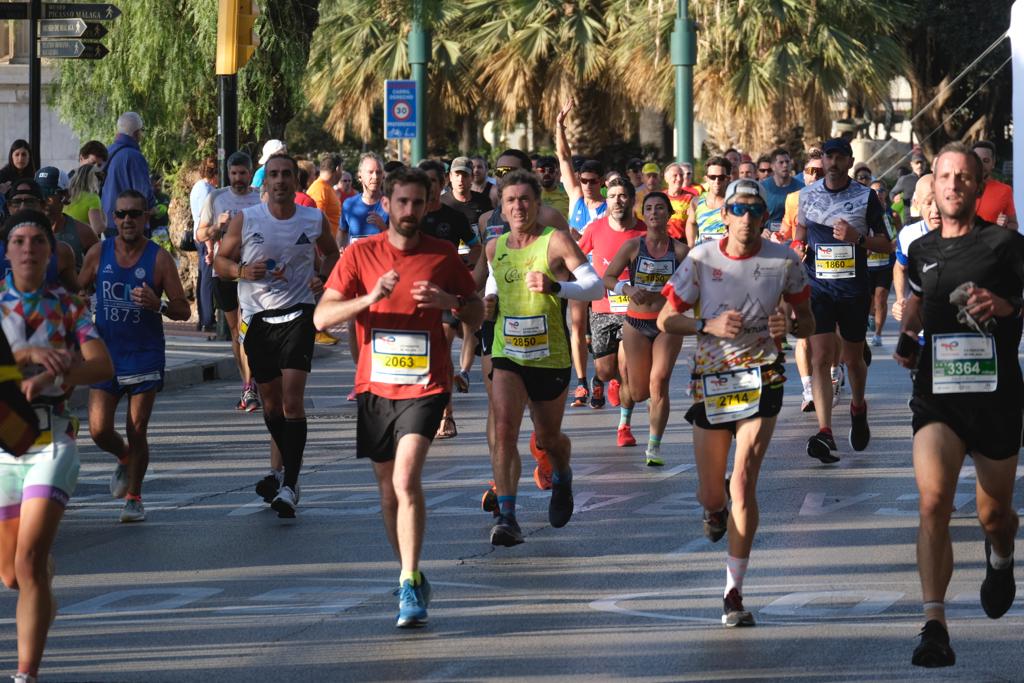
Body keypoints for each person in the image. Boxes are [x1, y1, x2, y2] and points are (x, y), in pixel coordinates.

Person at [314, 166, 482, 628]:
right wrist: (367, 299)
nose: (409, 211)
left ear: (429, 205)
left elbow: (477, 309)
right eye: (401, 202)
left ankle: (408, 582)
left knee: (406, 481)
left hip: (427, 385)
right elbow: (321, 318)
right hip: (375, 386)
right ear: (385, 205)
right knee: (388, 493)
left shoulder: (444, 253)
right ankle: (410, 570)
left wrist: (449, 303)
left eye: (417, 202)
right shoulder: (360, 253)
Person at [658, 178, 814, 628]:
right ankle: (714, 509)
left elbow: (808, 321)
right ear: (723, 215)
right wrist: (706, 324)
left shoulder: (784, 261)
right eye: (738, 210)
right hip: (712, 381)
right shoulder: (702, 259)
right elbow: (668, 318)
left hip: (763, 377)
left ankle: (733, 592)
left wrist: (792, 326)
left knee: (743, 479)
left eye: (755, 211)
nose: (747, 219)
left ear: (766, 219)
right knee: (713, 493)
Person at [895, 142, 1024, 668]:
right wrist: (909, 326)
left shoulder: (1007, 246)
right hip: (938, 396)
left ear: (978, 185)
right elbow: (922, 306)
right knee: (933, 503)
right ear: (933, 185)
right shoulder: (922, 250)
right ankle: (934, 626)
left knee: (994, 514)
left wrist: (1006, 304)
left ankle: (1001, 556)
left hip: (995, 399)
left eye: (962, 177)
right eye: (944, 176)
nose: (951, 185)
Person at [0, 209, 113, 683]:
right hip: (5, 444)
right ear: (8, 252)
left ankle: (27, 675)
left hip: (52, 441)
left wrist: (60, 370)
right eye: (19, 241)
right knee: (12, 574)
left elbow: (101, 365)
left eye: (37, 242)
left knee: (24, 563)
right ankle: (42, 576)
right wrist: (22, 357)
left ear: (51, 252)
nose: (28, 249)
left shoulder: (68, 307)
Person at [215, 154, 340, 518]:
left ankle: (290, 483)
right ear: (264, 183)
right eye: (274, 175)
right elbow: (220, 263)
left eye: (287, 174)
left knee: (292, 402)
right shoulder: (248, 218)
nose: (281, 181)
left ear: (295, 182)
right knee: (270, 404)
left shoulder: (313, 218)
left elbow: (333, 255)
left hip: (299, 315)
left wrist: (324, 279)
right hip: (257, 319)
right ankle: (285, 471)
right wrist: (241, 270)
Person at [484, 170, 603, 547]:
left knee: (549, 438)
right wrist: (487, 305)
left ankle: (563, 474)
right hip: (508, 353)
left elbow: (596, 285)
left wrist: (556, 286)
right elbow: (495, 284)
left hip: (549, 356)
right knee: (504, 429)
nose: (518, 206)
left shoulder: (557, 242)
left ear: (537, 204)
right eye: (510, 201)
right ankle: (507, 516)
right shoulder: (495, 247)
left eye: (524, 199)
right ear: (501, 210)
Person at [79, 190, 190, 523]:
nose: (127, 220)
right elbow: (77, 288)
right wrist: (79, 303)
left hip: (144, 355)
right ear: (114, 219)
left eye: (134, 214)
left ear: (145, 218)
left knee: (136, 428)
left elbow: (184, 309)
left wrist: (160, 305)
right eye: (122, 214)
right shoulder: (99, 253)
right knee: (99, 430)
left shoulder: (159, 259)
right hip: (107, 354)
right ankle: (125, 457)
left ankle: (134, 497)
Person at [793, 138, 889, 464]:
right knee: (820, 356)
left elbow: (886, 245)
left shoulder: (866, 197)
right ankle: (825, 431)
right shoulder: (807, 195)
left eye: (838, 157)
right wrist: (797, 247)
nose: (832, 163)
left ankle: (858, 407)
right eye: (827, 157)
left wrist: (857, 238)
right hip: (818, 288)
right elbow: (800, 233)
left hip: (852, 290)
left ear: (849, 162)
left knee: (851, 358)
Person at [603, 190, 688, 465]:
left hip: (667, 324)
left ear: (669, 214)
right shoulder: (632, 247)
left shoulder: (681, 252)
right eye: (649, 208)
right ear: (644, 214)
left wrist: (676, 298)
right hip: (636, 323)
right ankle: (624, 399)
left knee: (659, 381)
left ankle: (654, 447)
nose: (654, 213)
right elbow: (608, 277)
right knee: (638, 392)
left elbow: (696, 287)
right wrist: (627, 289)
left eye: (660, 208)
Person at [577, 178, 647, 437]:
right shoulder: (595, 229)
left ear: (631, 199)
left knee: (628, 368)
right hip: (603, 308)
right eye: (613, 196)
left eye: (623, 196)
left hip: (635, 311)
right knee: (605, 372)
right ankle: (611, 380)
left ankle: (624, 426)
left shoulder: (643, 232)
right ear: (606, 201)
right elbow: (576, 258)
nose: (617, 201)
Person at [417, 159, 481, 437]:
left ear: (442, 181)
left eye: (434, 180)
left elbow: (478, 249)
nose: (430, 187)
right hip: (414, 295)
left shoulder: (453, 217)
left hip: (444, 295)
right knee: (421, 354)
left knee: (441, 349)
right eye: (424, 181)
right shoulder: (409, 214)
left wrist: (462, 267)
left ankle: (447, 415)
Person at [196, 152, 263, 412]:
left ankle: (252, 385)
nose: (238, 179)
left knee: (249, 329)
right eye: (233, 174)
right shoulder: (216, 198)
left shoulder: (260, 198)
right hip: (224, 271)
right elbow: (200, 233)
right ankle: (247, 384)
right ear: (228, 174)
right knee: (237, 332)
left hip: (252, 271)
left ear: (249, 173)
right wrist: (216, 227)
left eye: (242, 173)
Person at [340, 152, 389, 400]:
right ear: (360, 176)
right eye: (370, 172)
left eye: (378, 172)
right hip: (356, 274)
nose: (374, 176)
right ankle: (361, 377)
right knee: (353, 326)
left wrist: (384, 228)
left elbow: (400, 240)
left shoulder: (389, 204)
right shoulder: (349, 204)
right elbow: (342, 234)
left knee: (379, 327)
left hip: (382, 276)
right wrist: (342, 250)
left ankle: (378, 378)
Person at [1, 182, 78, 292]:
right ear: (9, 206)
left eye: (30, 201)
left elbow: (76, 292)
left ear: (42, 205)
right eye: (17, 202)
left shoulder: (62, 251)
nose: (23, 207)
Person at [892, 175, 938, 323]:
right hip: (919, 319)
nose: (935, 210)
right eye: (929, 203)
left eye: (940, 202)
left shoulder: (966, 232)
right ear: (917, 204)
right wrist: (900, 300)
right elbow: (900, 267)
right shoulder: (908, 234)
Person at [100, 112, 155, 237]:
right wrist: (154, 208)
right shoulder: (134, 156)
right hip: (130, 224)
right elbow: (143, 193)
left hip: (108, 221)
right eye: (141, 131)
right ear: (136, 133)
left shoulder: (107, 152)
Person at [34, 167, 97, 270]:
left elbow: (102, 267)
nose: (43, 198)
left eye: (49, 192)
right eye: (38, 193)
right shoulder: (24, 232)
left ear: (65, 195)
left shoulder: (83, 232)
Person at [865, 180, 898, 347]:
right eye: (874, 191)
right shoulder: (863, 212)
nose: (878, 194)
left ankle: (878, 334)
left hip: (885, 264)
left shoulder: (891, 214)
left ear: (886, 193)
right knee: (868, 301)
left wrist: (891, 245)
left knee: (881, 298)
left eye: (881, 190)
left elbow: (895, 236)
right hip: (866, 265)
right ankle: (870, 316)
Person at [191, 156, 219, 333]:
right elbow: (205, 220)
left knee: (204, 277)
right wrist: (210, 247)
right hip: (204, 238)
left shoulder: (201, 187)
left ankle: (204, 317)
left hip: (202, 236)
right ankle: (207, 318)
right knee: (207, 278)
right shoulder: (205, 190)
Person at [684, 156, 731, 247]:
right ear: (706, 179)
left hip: (725, 256)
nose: (717, 181)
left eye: (721, 177)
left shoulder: (733, 203)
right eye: (712, 177)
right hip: (702, 257)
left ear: (727, 179)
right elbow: (691, 222)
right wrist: (691, 245)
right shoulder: (696, 201)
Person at [971, 140, 1017, 231]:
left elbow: (1014, 224)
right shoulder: (958, 187)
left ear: (993, 163)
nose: (981, 165)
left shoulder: (1005, 190)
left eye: (986, 161)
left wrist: (1006, 225)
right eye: (977, 160)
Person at [442, 157, 493, 228]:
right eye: (457, 175)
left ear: (472, 177)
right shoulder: (441, 202)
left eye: (465, 175)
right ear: (450, 177)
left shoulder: (484, 201)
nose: (460, 180)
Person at [760, 148, 803, 232]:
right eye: (781, 162)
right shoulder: (763, 188)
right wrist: (761, 231)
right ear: (772, 166)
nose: (785, 165)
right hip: (769, 235)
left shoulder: (801, 187)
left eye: (787, 162)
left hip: (793, 236)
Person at [307, 153, 342, 240]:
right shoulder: (320, 189)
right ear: (338, 169)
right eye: (342, 169)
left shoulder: (326, 187)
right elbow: (317, 223)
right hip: (323, 249)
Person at [64, 164, 105, 237]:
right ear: (93, 179)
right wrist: (104, 218)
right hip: (82, 241)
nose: (101, 181)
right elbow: (98, 229)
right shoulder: (92, 198)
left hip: (63, 239)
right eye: (99, 177)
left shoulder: (65, 194)